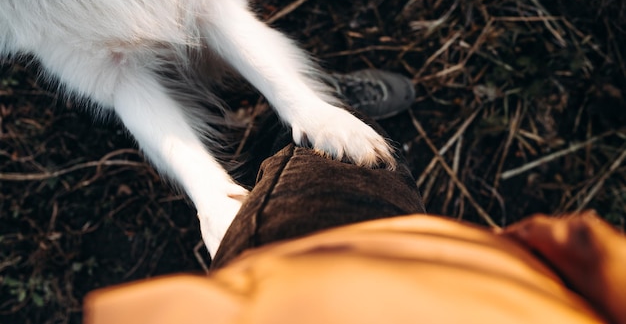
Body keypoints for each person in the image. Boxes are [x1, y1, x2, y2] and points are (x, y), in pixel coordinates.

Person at [84, 70, 626, 324]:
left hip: (312, 263)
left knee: (334, 158)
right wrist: (521, 253)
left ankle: (290, 120)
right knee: (364, 155)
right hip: (453, 271)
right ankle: (315, 103)